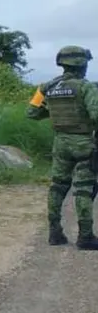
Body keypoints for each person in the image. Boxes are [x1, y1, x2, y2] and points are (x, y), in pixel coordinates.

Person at [26, 45, 98, 249]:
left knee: (58, 186)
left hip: (60, 143)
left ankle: (55, 233)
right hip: (84, 143)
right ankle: (85, 237)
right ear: (81, 64)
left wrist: (57, 110)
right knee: (84, 188)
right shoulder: (86, 87)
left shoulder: (47, 87)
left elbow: (32, 113)